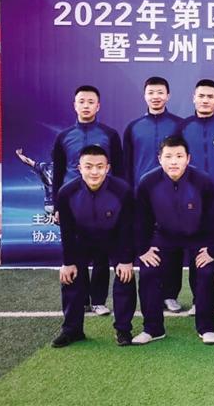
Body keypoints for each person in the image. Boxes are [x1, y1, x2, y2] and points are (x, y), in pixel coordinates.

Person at [132, 136, 214, 345]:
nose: (174, 161)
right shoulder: (147, 182)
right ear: (159, 159)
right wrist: (143, 249)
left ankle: (206, 327)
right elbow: (141, 220)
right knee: (148, 271)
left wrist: (212, 250)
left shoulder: (204, 181)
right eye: (168, 156)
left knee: (207, 271)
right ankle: (153, 328)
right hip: (164, 235)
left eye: (179, 156)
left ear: (188, 158)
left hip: (198, 236)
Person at [51, 145, 136, 348]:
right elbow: (67, 232)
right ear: (79, 168)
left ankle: (123, 330)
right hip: (83, 241)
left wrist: (126, 260)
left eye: (99, 166)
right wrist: (68, 263)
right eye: (88, 167)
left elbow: (127, 228)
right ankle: (72, 330)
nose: (94, 172)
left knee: (126, 276)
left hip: (114, 240)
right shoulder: (66, 192)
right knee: (70, 277)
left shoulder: (122, 190)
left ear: (108, 168)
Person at [52, 85, 123, 317]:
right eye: (81, 101)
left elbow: (119, 170)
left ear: (98, 106)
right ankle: (81, 299)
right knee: (76, 251)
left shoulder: (109, 135)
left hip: (105, 201)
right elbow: (58, 172)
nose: (86, 106)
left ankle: (98, 300)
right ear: (74, 105)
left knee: (102, 254)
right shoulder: (63, 137)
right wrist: (57, 205)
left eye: (91, 102)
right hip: (73, 203)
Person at [123, 76, 184, 313]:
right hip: (142, 197)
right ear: (145, 95)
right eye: (151, 92)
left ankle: (170, 294)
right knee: (147, 243)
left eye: (160, 92)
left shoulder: (179, 125)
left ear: (168, 96)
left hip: (173, 195)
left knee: (174, 246)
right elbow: (127, 164)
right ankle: (152, 295)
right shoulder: (133, 127)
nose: (156, 97)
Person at [180, 79, 214, 316]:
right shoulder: (183, 127)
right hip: (192, 202)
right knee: (197, 253)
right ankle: (198, 299)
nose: (205, 100)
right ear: (194, 98)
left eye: (210, 96)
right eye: (201, 96)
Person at [15, 148, 54, 215]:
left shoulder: (43, 166)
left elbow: (27, 161)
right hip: (60, 204)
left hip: (48, 204)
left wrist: (19, 155)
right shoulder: (66, 168)